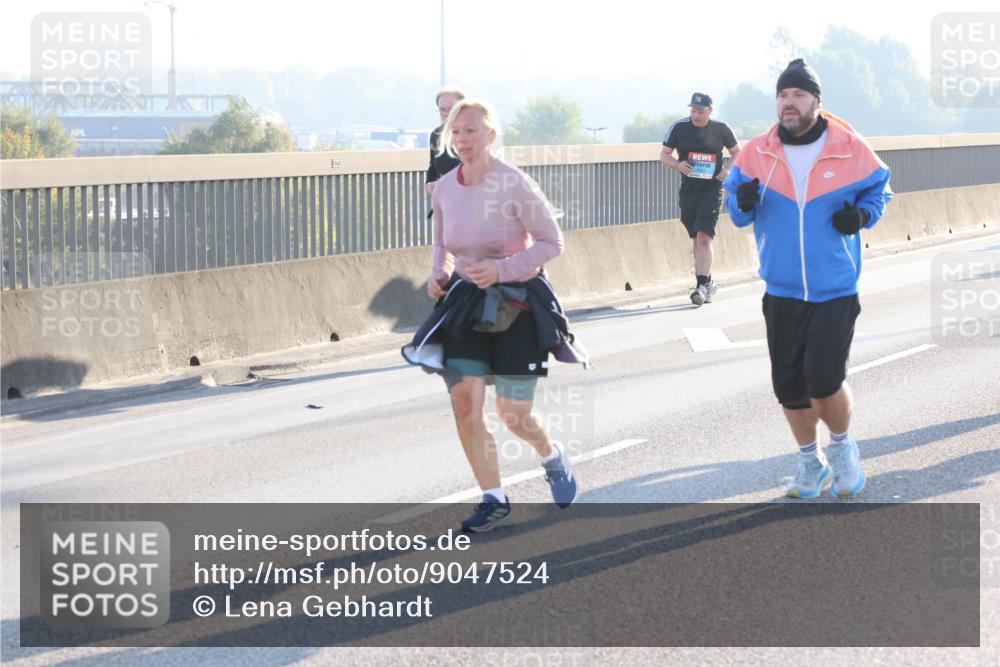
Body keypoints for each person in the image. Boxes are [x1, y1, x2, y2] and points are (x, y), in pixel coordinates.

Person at [402, 98, 588, 532]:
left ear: (491, 135)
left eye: (471, 131)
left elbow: (552, 243)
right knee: (464, 402)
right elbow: (442, 244)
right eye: (456, 132)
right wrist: (439, 275)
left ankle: (552, 456)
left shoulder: (514, 183)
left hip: (517, 304)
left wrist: (502, 270)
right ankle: (494, 498)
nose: (463, 139)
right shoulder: (444, 188)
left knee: (513, 412)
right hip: (466, 303)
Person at [723, 59, 893, 498]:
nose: (789, 103)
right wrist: (742, 201)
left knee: (823, 379)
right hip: (781, 289)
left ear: (817, 100)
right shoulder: (756, 152)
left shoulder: (849, 146)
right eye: (783, 95)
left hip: (835, 287)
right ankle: (809, 462)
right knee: (789, 388)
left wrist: (863, 216)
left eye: (798, 95)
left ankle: (841, 448)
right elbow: (736, 212)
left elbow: (880, 189)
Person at [660, 93, 740, 305]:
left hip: (712, 189)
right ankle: (708, 281)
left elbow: (737, 153)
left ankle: (701, 287)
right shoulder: (679, 128)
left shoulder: (721, 129)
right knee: (696, 238)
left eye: (700, 111)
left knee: (705, 237)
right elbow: (664, 155)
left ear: (710, 111)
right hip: (689, 190)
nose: (695, 115)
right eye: (693, 111)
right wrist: (678, 165)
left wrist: (727, 170)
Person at [425, 86, 465, 210]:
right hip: (444, 206)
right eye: (442, 109)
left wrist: (445, 184)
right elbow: (433, 167)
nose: (446, 113)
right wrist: (429, 183)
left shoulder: (475, 134)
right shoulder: (436, 134)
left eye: (451, 109)